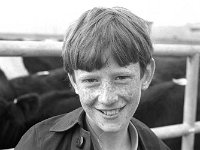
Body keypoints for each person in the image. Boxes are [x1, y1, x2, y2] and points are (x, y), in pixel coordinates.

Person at [15, 7, 171, 150]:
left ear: (146, 74)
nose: (107, 98)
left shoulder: (156, 146)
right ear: (74, 81)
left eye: (121, 77)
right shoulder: (38, 143)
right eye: (91, 80)